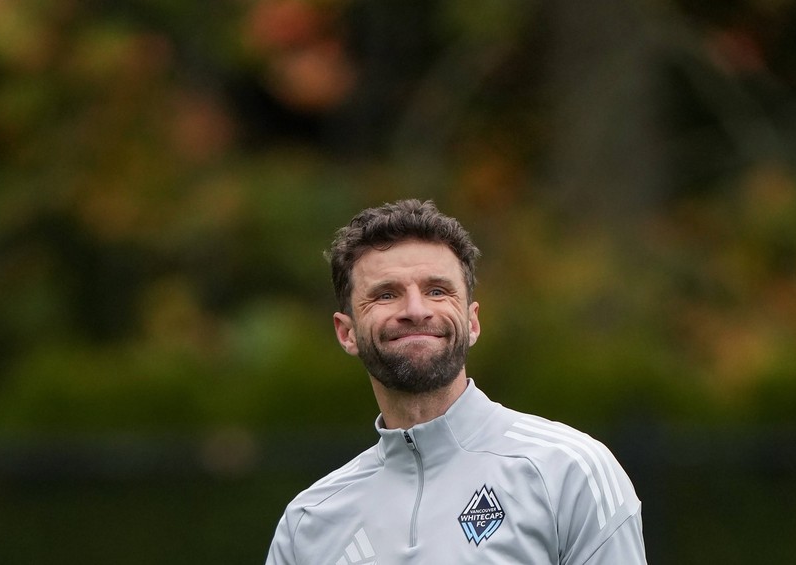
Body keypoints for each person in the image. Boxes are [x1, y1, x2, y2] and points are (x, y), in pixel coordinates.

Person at [265, 199, 647, 564]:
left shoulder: (569, 471)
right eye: (386, 294)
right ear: (346, 332)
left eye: (436, 291)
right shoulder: (308, 523)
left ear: (472, 321)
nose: (415, 310)